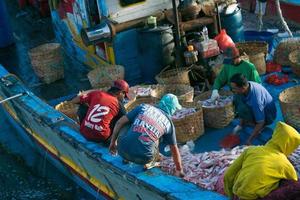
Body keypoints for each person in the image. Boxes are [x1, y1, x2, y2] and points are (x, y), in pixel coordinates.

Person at [109, 94, 184, 177]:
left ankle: (126, 158)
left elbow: (119, 122)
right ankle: (150, 162)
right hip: (143, 159)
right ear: (172, 108)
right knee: (156, 135)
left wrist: (112, 142)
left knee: (128, 123)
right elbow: (174, 149)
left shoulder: (143, 107)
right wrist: (179, 169)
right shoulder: (168, 123)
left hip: (121, 150)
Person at [224, 121, 300, 200]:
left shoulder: (251, 150)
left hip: (237, 194)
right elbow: (295, 185)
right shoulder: (285, 165)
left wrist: (230, 196)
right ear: (290, 145)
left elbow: (228, 175)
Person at [70, 79, 129, 144]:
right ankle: (111, 142)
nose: (124, 98)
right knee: (122, 120)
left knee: (83, 106)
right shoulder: (118, 104)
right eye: (124, 95)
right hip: (101, 137)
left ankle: (87, 126)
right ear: (120, 92)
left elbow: (74, 100)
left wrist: (91, 105)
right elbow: (126, 121)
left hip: (84, 132)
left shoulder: (96, 93)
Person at [229, 73, 276, 144]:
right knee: (237, 99)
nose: (233, 90)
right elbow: (240, 106)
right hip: (253, 107)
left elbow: (261, 122)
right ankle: (248, 122)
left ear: (243, 87)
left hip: (268, 115)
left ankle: (259, 127)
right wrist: (240, 125)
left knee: (259, 122)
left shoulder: (255, 99)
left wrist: (249, 140)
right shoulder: (245, 87)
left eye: (235, 88)